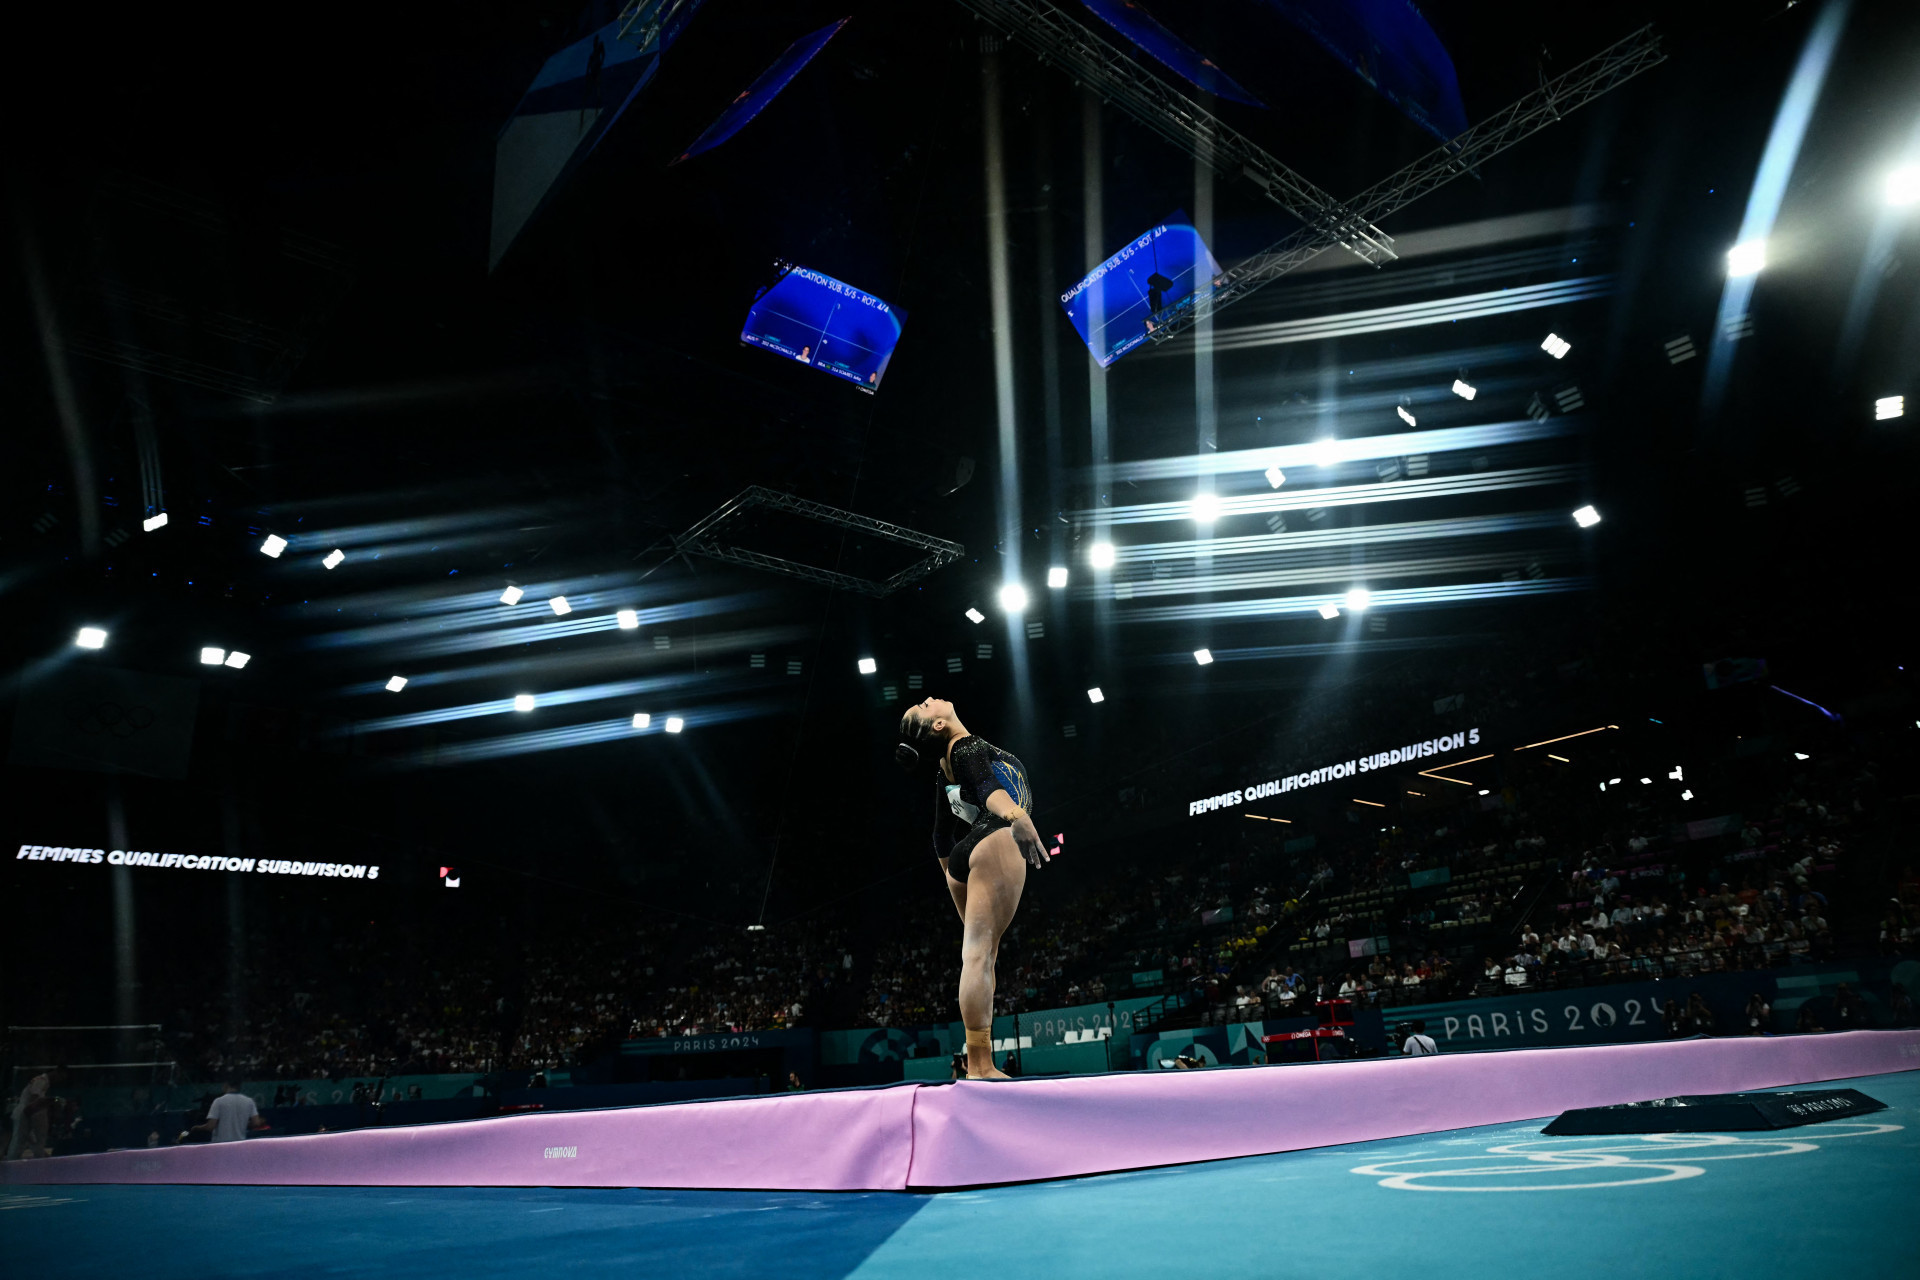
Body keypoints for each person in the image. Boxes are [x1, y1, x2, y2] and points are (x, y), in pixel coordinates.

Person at [897, 696, 1049, 1080]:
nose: (928, 699)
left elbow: (940, 835)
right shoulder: (967, 746)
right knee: (980, 955)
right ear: (937, 726)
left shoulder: (945, 768)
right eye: (924, 706)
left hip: (968, 851)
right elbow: (988, 788)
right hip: (996, 836)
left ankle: (982, 1061)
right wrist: (1017, 815)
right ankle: (979, 1066)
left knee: (982, 955)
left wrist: (954, 878)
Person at [181, 1080, 267, 1144]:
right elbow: (256, 1123)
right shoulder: (249, 1101)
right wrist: (242, 1122)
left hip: (220, 1144)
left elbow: (210, 1126)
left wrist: (196, 1128)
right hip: (239, 1144)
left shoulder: (218, 1101)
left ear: (226, 1085)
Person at [6, 1070, 52, 1160]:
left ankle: (40, 1157)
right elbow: (34, 1100)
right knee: (19, 1141)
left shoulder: (43, 1084)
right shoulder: (41, 1081)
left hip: (29, 1114)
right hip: (26, 1114)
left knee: (30, 1140)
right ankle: (12, 1162)